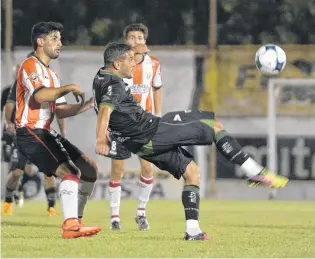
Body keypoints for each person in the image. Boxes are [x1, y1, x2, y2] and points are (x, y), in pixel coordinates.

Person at [93, 42, 289, 241]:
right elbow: (105, 109)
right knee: (213, 125)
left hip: (141, 144)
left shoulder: (100, 77)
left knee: (192, 172)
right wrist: (101, 138)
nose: (133, 64)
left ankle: (193, 231)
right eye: (129, 60)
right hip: (150, 132)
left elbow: (101, 105)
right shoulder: (113, 84)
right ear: (117, 64)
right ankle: (253, 171)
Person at [15, 21, 101, 239]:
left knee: (90, 169)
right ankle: (70, 226)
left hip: (45, 131)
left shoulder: (52, 75)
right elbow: (40, 95)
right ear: (40, 41)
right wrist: (69, 87)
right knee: (70, 172)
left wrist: (89, 104)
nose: (59, 43)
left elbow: (61, 111)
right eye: (54, 38)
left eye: (60, 39)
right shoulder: (30, 65)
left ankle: (77, 218)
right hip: (30, 132)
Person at [105, 23, 162, 231]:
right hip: (121, 124)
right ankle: (114, 218)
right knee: (118, 169)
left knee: (147, 168)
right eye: (131, 37)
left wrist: (158, 113)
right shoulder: (118, 65)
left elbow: (157, 88)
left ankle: (141, 214)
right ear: (125, 41)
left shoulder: (154, 64)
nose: (136, 41)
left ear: (145, 40)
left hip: (144, 125)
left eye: (139, 37)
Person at [2, 75, 68, 216]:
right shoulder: (18, 87)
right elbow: (9, 105)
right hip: (22, 135)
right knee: (16, 172)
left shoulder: (50, 88)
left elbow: (59, 110)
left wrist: (63, 132)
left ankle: (51, 207)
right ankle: (8, 202)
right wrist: (9, 123)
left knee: (48, 172)